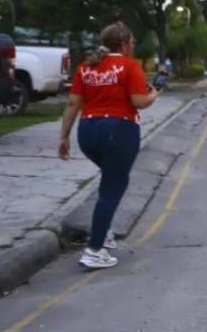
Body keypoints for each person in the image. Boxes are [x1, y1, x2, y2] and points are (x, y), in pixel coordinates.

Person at [58, 22, 158, 269]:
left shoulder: (86, 67)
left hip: (88, 132)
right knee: (114, 185)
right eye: (132, 42)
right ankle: (94, 249)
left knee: (109, 181)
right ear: (124, 44)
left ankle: (104, 231)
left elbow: (73, 103)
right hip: (119, 131)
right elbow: (139, 101)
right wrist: (154, 95)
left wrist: (64, 136)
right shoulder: (129, 66)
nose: (133, 46)